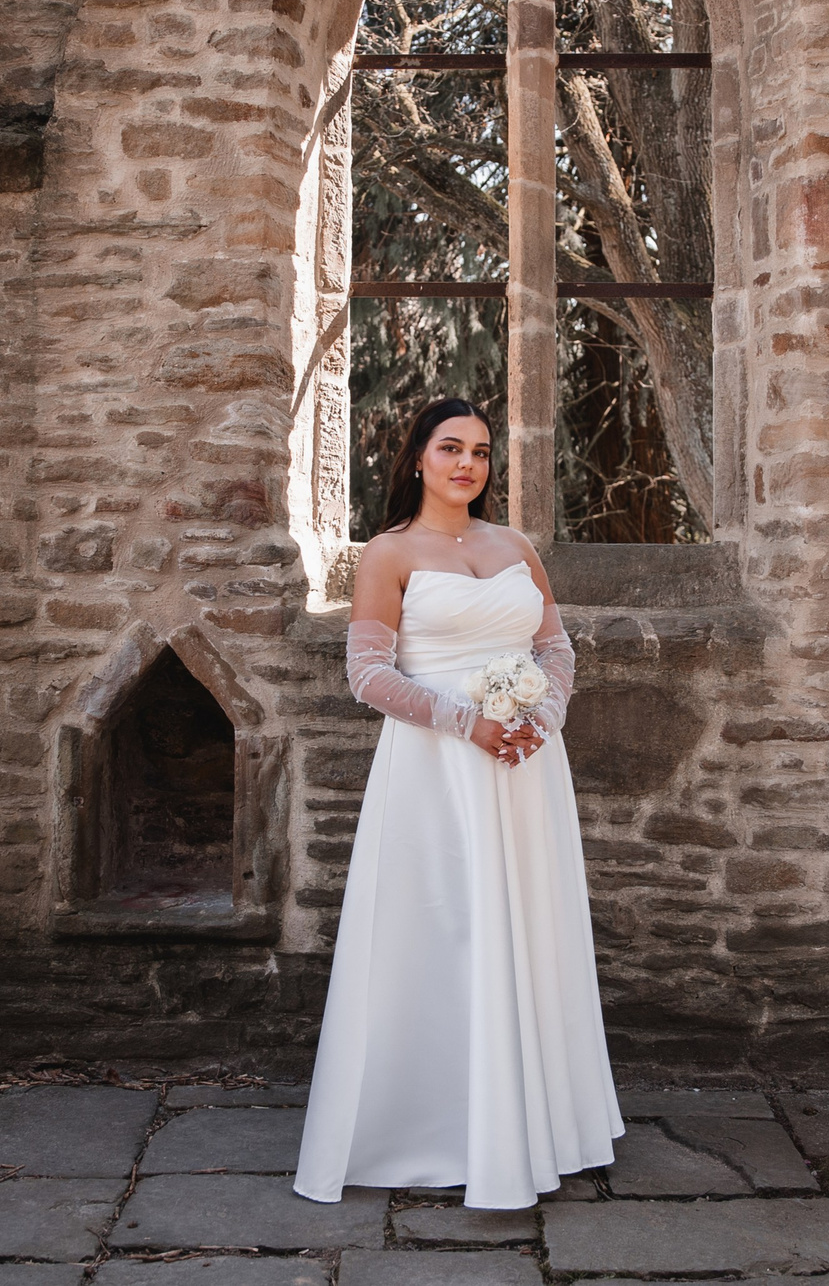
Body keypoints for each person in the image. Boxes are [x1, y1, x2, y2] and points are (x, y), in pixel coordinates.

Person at [291, 397, 623, 1210]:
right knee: (445, 930)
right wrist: (466, 722)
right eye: (450, 448)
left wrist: (540, 719)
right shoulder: (390, 553)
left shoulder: (515, 547)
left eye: (479, 451)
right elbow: (367, 674)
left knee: (529, 927)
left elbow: (555, 648)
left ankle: (539, 1125)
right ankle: (435, 1129)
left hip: (525, 767)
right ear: (417, 459)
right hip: (439, 771)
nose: (467, 464)